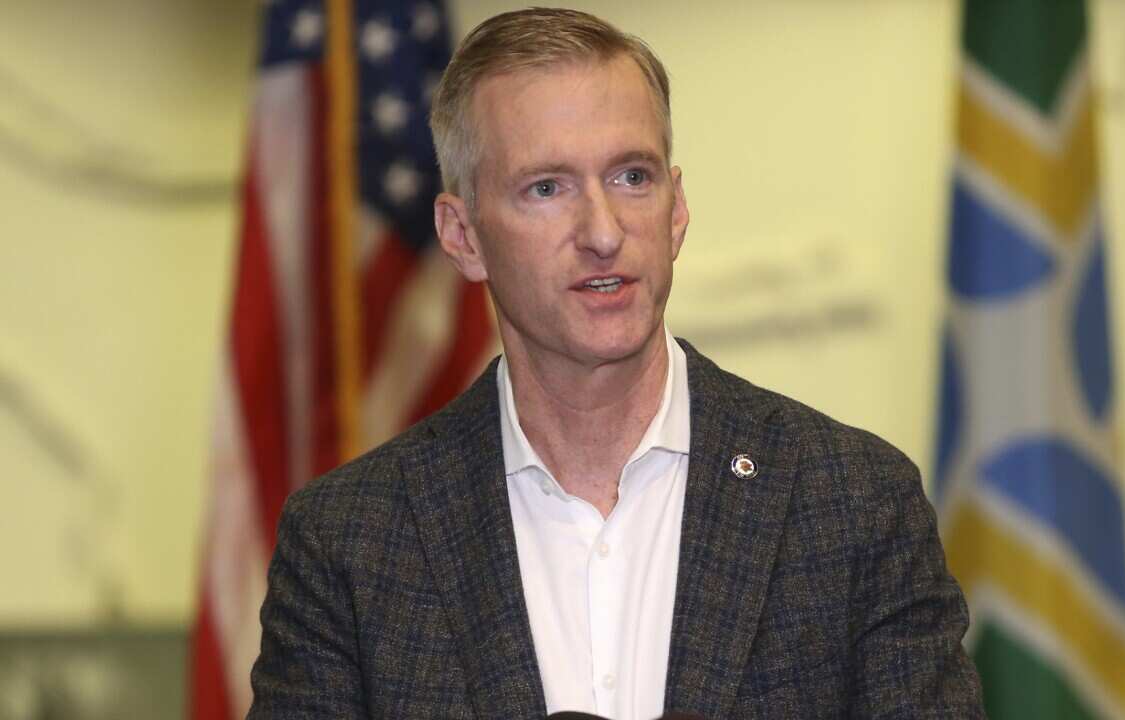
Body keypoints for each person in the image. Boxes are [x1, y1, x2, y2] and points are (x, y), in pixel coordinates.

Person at [248, 8, 983, 719]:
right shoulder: (349, 543)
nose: (603, 232)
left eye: (632, 177)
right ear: (463, 234)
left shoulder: (853, 504)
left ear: (677, 208)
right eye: (547, 188)